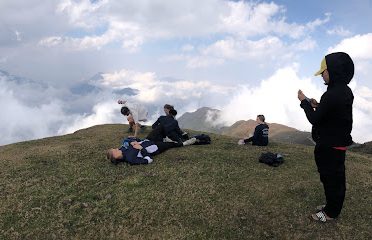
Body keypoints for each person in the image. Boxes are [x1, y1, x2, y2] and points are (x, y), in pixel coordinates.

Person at [298, 52, 354, 223]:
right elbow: (334, 111)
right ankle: (331, 205)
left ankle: (330, 213)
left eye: (324, 71)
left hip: (330, 145)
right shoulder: (344, 91)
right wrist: (319, 105)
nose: (322, 74)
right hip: (336, 143)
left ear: (334, 71)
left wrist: (304, 103)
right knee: (332, 178)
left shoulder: (331, 94)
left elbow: (314, 119)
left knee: (331, 180)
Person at [106, 126, 197, 165]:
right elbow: (148, 160)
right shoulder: (131, 159)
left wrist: (132, 140)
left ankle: (171, 136)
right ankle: (184, 143)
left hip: (148, 139)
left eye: (114, 149)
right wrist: (141, 148)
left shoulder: (122, 148)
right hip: (155, 147)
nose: (115, 148)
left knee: (161, 126)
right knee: (172, 144)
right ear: (116, 157)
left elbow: (127, 140)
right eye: (114, 151)